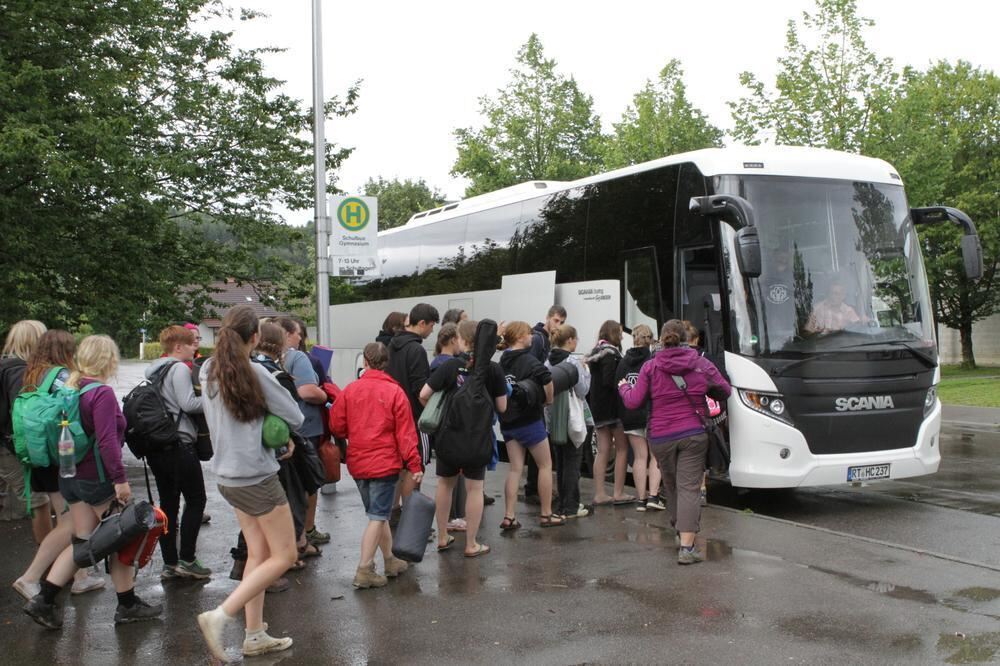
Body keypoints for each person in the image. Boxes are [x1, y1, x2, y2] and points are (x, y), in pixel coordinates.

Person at [24, 335, 164, 629]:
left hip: (70, 477)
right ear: (109, 360)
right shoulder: (100, 393)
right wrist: (120, 480)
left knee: (84, 540)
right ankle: (127, 605)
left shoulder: (70, 389)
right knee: (122, 535)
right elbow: (106, 442)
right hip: (97, 479)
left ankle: (44, 600)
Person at [197, 305, 303, 659]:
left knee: (258, 552)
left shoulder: (207, 369)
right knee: (285, 554)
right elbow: (296, 415)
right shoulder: (256, 372)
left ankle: (254, 634)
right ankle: (220, 616)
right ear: (255, 337)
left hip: (227, 477)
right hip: (256, 476)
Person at [618, 320, 732, 565]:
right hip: (693, 434)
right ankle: (687, 547)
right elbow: (725, 390)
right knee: (689, 488)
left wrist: (624, 387)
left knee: (672, 488)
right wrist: (706, 391)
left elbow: (632, 402)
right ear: (685, 339)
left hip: (660, 437)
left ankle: (683, 531)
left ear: (662, 338)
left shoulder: (650, 367)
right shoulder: (701, 363)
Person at [13, 330, 105, 600]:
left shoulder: (31, 374)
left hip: (38, 457)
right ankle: (30, 577)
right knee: (69, 523)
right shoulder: (62, 376)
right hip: (59, 457)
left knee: (74, 522)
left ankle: (80, 576)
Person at [330, 342, 423, 588]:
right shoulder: (395, 392)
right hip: (384, 463)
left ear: (365, 362)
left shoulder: (350, 390)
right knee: (378, 517)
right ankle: (365, 569)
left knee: (376, 516)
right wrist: (415, 465)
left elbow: (337, 425)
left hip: (358, 463)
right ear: (386, 363)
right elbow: (406, 434)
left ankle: (390, 560)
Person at [421, 320, 507, 556]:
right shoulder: (492, 369)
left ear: (464, 340)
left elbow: (424, 395)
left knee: (445, 484)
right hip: (478, 437)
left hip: (449, 435)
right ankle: (471, 544)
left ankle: (441, 537)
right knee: (475, 488)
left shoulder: (449, 367)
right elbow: (502, 406)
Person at [145, 325, 210, 580]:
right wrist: (217, 398)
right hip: (180, 443)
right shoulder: (178, 369)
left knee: (168, 505)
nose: (196, 348)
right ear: (178, 347)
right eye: (192, 343)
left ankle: (169, 563)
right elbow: (189, 403)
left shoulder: (154, 370)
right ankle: (188, 560)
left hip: (159, 445)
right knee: (196, 500)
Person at [498, 321, 563, 529]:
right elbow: (547, 379)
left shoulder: (502, 361)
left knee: (515, 469)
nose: (532, 337)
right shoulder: (530, 361)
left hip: (508, 422)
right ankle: (546, 514)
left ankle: (509, 516)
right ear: (520, 337)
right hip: (530, 421)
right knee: (545, 465)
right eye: (528, 334)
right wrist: (548, 400)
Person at [275, 317, 327, 554]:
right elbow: (307, 391)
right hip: (304, 429)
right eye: (298, 334)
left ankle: (288, 537)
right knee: (308, 483)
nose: (300, 338)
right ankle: (304, 533)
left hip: (276, 433)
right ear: (286, 334)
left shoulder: (261, 360)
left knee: (284, 486)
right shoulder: (297, 357)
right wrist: (324, 396)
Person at [0, 320, 53, 538]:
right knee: (39, 501)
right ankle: (49, 563)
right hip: (9, 447)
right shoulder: (19, 372)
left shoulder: (4, 365)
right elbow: (23, 418)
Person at [387, 303, 438, 499]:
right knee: (416, 467)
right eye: (431, 325)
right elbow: (421, 390)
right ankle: (411, 513)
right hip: (415, 417)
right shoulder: (416, 350)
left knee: (400, 464)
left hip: (395, 414)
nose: (432, 330)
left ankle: (395, 509)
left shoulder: (392, 345)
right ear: (422, 323)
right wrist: (431, 415)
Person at [615, 324, 662, 512]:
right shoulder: (653, 361)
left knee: (639, 457)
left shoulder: (623, 361)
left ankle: (641, 499)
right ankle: (653, 496)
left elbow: (617, 386)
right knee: (655, 457)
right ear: (650, 339)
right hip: (651, 413)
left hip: (630, 414)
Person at [546, 324, 591, 519]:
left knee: (561, 461)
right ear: (570, 340)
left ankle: (562, 504)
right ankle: (571, 506)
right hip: (571, 418)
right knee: (573, 462)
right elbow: (583, 391)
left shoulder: (547, 361)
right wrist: (586, 370)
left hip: (553, 417)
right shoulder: (573, 362)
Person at [524, 305, 567, 505]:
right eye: (556, 321)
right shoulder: (539, 338)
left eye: (562, 322)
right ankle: (534, 489)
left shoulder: (543, 338)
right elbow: (532, 366)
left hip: (534, 398)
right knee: (539, 446)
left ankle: (535, 488)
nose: (558, 325)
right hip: (534, 398)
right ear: (548, 318)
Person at [586, 321, 632, 506]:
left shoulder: (595, 352)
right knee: (622, 449)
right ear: (613, 333)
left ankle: (599, 493)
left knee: (603, 450)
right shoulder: (611, 355)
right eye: (620, 333)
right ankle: (618, 492)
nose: (621, 336)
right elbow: (609, 381)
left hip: (597, 409)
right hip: (613, 409)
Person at [429, 324, 467, 532]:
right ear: (453, 339)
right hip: (453, 425)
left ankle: (446, 525)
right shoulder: (451, 365)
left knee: (446, 479)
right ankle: (454, 517)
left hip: (441, 427)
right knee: (453, 478)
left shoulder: (436, 362)